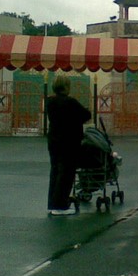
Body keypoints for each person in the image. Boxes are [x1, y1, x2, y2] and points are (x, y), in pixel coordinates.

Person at [45, 75, 91, 216]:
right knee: (66, 174)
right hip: (69, 142)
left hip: (54, 140)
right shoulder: (70, 102)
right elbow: (86, 115)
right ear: (66, 87)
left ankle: (52, 204)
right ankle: (60, 206)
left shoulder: (50, 102)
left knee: (55, 171)